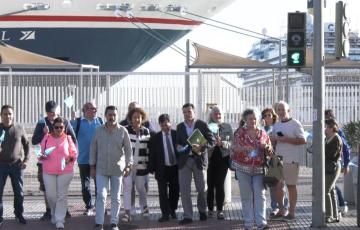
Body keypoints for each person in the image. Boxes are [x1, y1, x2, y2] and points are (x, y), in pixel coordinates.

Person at [90, 105, 133, 230]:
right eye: (109, 114)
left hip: (117, 169)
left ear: (117, 116)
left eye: (114, 114)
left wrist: (129, 165)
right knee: (101, 196)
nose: (112, 117)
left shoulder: (123, 131)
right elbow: (93, 148)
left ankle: (114, 223)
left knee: (115, 197)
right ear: (105, 116)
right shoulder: (98, 130)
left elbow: (129, 150)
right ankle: (99, 223)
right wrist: (92, 166)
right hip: (101, 169)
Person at [32, 100, 76, 220]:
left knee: (61, 189)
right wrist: (43, 133)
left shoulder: (64, 122)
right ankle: (49, 210)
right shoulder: (42, 123)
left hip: (62, 163)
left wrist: (71, 158)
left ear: (58, 112)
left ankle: (63, 210)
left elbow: (73, 139)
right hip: (45, 162)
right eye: (49, 114)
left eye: (54, 113)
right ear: (46, 113)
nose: (52, 116)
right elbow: (34, 141)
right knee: (47, 189)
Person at [231, 108, 271, 230]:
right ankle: (248, 224)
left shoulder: (262, 133)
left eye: (254, 118)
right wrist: (244, 149)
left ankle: (261, 223)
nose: (253, 121)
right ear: (245, 120)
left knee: (260, 195)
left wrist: (267, 147)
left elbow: (270, 150)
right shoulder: (239, 133)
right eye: (250, 119)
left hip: (259, 169)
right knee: (246, 196)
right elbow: (234, 148)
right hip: (243, 169)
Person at [176, 103, 215, 225]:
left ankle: (202, 211)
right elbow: (177, 143)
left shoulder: (202, 124)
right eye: (185, 112)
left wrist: (202, 147)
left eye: (189, 111)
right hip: (184, 162)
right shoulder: (179, 127)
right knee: (184, 189)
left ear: (194, 112)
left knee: (202, 188)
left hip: (199, 161)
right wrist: (179, 146)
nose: (187, 114)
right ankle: (188, 215)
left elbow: (212, 141)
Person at [39, 117, 77, 229]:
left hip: (65, 171)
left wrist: (69, 159)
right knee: (51, 196)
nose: (59, 129)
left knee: (62, 196)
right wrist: (42, 156)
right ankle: (54, 213)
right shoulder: (46, 138)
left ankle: (60, 219)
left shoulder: (68, 138)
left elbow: (74, 153)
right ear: (53, 127)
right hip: (48, 171)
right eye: (56, 127)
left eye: (61, 127)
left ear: (64, 128)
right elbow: (40, 154)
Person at [271, 101, 306, 222]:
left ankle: (292, 213)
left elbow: (303, 140)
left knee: (291, 186)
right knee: (278, 187)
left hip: (291, 159)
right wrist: (273, 141)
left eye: (283, 109)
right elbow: (275, 141)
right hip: (278, 159)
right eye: (278, 110)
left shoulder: (295, 123)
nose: (280, 112)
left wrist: (286, 139)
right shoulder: (276, 125)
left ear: (288, 110)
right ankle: (281, 211)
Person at [70, 102, 103, 216]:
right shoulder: (78, 122)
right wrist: (72, 120)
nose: (93, 111)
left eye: (95, 109)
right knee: (85, 185)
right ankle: (89, 206)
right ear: (84, 110)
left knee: (99, 184)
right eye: (91, 109)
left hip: (98, 159)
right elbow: (69, 134)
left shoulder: (100, 122)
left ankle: (100, 206)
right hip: (83, 159)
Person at [0, 105, 29, 226]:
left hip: (17, 166)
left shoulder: (19, 128)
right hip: (1, 166)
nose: (8, 116)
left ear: (13, 115)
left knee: (19, 192)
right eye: (5, 114)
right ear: (1, 116)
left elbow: (27, 145)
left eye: (10, 114)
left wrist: (26, 160)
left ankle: (19, 214)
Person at [122, 107, 152, 222]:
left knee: (140, 187)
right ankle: (127, 212)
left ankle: (144, 206)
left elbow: (148, 149)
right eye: (134, 117)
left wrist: (149, 165)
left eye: (139, 117)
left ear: (142, 118)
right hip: (128, 166)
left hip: (141, 166)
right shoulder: (125, 130)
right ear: (130, 118)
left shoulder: (146, 131)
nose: (136, 119)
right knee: (128, 187)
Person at [148, 114, 179, 222]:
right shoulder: (155, 138)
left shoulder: (176, 134)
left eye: (166, 125)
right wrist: (151, 168)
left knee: (175, 191)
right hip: (162, 168)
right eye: (162, 126)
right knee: (162, 192)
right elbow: (152, 154)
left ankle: (172, 210)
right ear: (159, 125)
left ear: (170, 123)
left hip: (175, 167)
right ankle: (165, 214)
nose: (165, 127)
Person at [206, 106, 233, 220]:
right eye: (215, 114)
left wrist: (223, 143)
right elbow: (202, 142)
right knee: (210, 185)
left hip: (223, 159)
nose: (218, 116)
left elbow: (232, 142)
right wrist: (212, 143)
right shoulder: (207, 126)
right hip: (209, 159)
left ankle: (220, 211)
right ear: (211, 115)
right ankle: (210, 210)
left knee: (220, 185)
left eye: (220, 114)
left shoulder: (227, 126)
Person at [261, 107, 289, 216]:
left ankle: (284, 207)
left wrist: (275, 138)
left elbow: (283, 138)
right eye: (265, 115)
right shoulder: (261, 129)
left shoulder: (277, 126)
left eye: (269, 115)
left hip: (277, 157)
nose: (267, 117)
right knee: (272, 185)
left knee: (281, 185)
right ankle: (274, 207)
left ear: (273, 116)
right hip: (266, 159)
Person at [325, 109, 350, 216]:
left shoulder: (337, 134)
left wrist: (346, 164)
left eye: (328, 117)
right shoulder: (326, 135)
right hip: (331, 164)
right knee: (332, 188)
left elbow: (345, 148)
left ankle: (338, 208)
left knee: (329, 188)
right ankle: (335, 213)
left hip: (335, 164)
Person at [324, 119, 342, 223]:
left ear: (331, 127)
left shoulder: (336, 139)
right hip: (329, 166)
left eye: (326, 127)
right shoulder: (328, 138)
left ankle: (328, 215)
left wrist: (321, 150)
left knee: (326, 190)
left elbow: (332, 155)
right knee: (331, 190)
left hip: (333, 166)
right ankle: (335, 214)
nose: (324, 129)